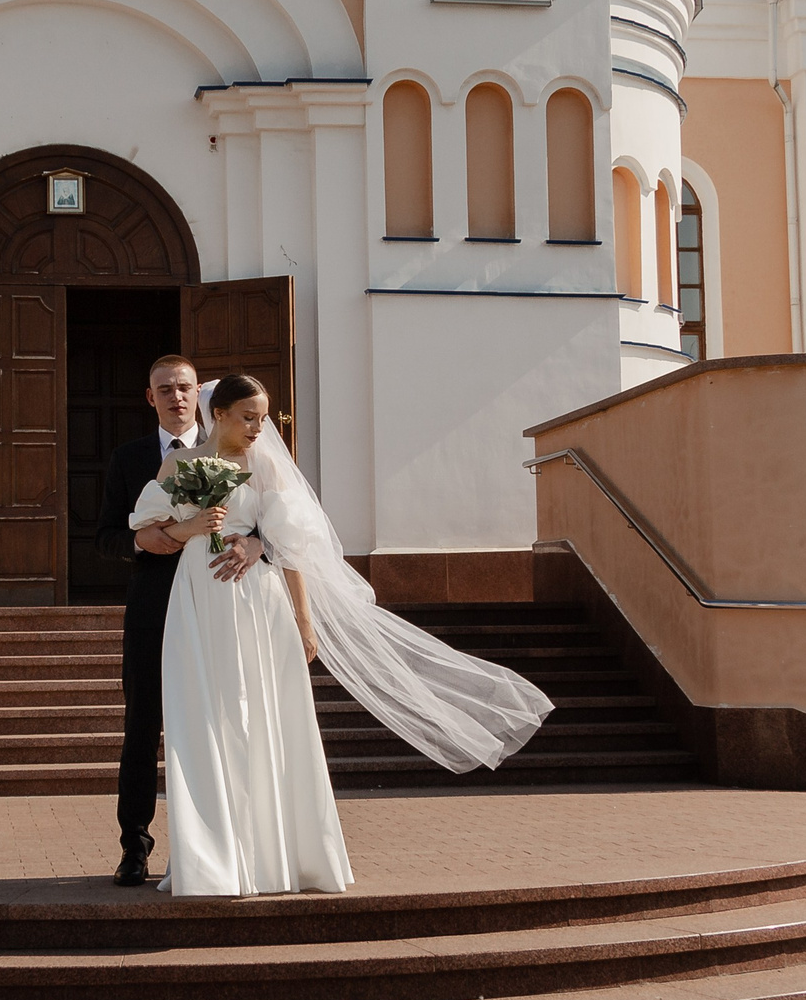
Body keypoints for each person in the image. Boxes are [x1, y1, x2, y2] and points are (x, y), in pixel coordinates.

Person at [128, 375, 556, 897]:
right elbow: (147, 536)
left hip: (258, 607)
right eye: (248, 417)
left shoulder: (263, 467)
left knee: (265, 720)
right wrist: (192, 530)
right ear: (218, 414)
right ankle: (214, 861)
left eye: (264, 418)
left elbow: (292, 546)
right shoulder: (178, 465)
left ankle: (278, 859)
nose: (260, 428)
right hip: (198, 602)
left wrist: (298, 612)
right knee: (206, 724)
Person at [92, 355, 261, 886]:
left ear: (200, 397)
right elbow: (107, 538)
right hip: (154, 608)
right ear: (151, 397)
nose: (175, 396)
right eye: (164, 389)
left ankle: (223, 847)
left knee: (221, 723)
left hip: (219, 607)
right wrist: (144, 540)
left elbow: (274, 526)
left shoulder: (238, 448)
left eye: (184, 387)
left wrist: (255, 543)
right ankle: (134, 847)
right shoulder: (128, 458)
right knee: (142, 727)